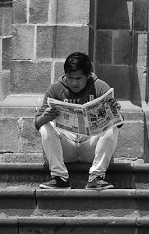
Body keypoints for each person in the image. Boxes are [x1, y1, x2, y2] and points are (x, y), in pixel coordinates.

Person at [35, 52, 121, 190]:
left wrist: (114, 112)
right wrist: (46, 116)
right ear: (65, 75)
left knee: (112, 127)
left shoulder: (100, 87)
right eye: (70, 78)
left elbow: (119, 124)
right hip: (66, 147)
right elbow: (37, 124)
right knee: (46, 126)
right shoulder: (56, 89)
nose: (74, 82)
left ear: (88, 76)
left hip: (91, 147)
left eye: (79, 78)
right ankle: (59, 177)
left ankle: (96, 177)